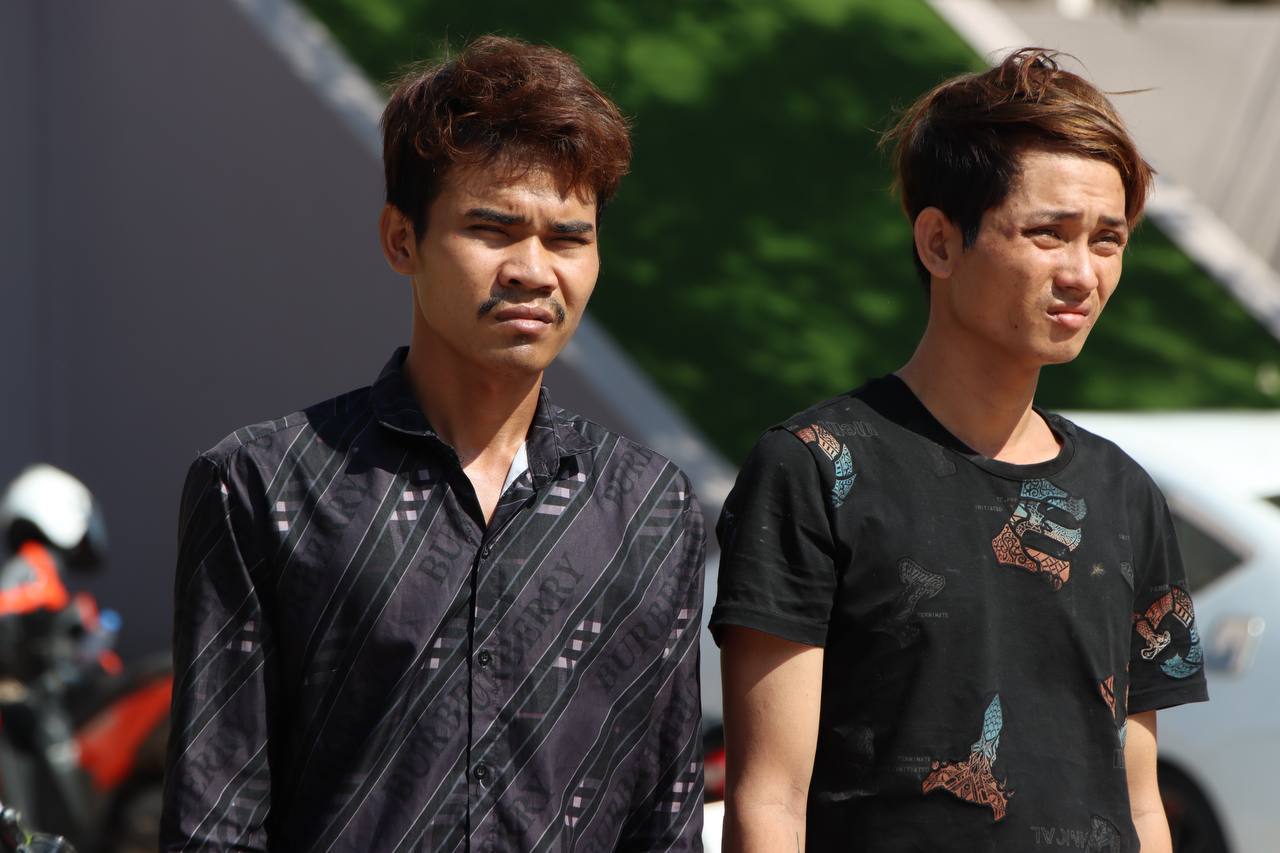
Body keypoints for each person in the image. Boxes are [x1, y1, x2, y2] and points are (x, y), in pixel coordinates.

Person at [161, 36, 704, 852]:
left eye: (568, 238)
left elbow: (665, 820)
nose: (533, 270)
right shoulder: (262, 485)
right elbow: (214, 825)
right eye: (492, 228)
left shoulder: (650, 507)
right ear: (400, 239)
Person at [712, 49, 1207, 852]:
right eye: (1048, 233)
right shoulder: (814, 468)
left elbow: (1140, 801)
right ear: (939, 243)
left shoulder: (1125, 493)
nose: (1082, 274)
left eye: (1107, 241)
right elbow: (768, 802)